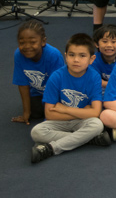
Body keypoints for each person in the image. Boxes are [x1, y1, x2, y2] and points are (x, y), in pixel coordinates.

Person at [29, 34, 108, 163]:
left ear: (91, 59)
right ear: (66, 56)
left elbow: (95, 112)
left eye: (82, 56)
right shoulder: (56, 77)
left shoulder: (94, 77)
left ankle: (52, 148)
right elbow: (49, 114)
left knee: (97, 124)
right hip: (61, 122)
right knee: (37, 132)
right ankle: (88, 139)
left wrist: (64, 109)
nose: (76, 60)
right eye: (72, 55)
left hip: (80, 122)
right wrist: (83, 111)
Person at [12, 21, 64, 124]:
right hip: (38, 93)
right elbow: (22, 84)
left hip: (58, 93)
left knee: (56, 113)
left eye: (32, 42)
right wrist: (26, 113)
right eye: (22, 43)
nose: (27, 46)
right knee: (35, 114)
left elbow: (58, 85)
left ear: (43, 41)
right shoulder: (18, 55)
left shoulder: (54, 55)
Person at [90, 24, 116, 89]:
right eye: (105, 41)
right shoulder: (93, 60)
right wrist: (114, 84)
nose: (109, 45)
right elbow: (95, 80)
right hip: (102, 89)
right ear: (96, 44)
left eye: (113, 42)